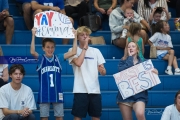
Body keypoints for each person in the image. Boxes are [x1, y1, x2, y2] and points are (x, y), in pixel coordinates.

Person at [30, 27, 77, 120]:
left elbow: (74, 52)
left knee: (59, 117)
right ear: (43, 48)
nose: (50, 49)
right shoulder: (40, 58)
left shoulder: (58, 58)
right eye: (48, 47)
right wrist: (33, 35)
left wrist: (75, 37)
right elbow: (32, 51)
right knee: (44, 118)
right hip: (44, 92)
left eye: (52, 47)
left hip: (57, 92)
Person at [68, 26, 106, 120]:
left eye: (87, 35)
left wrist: (102, 70)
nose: (85, 37)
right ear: (77, 38)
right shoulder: (72, 50)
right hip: (80, 89)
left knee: (96, 117)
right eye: (82, 35)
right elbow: (78, 63)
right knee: (78, 117)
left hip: (95, 89)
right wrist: (84, 48)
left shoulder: (96, 51)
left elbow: (103, 72)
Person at [117, 41, 158, 120]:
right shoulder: (122, 62)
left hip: (140, 96)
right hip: (125, 97)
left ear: (137, 50)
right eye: (129, 47)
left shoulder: (145, 63)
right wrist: (130, 57)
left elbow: (150, 87)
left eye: (133, 46)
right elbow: (124, 73)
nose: (131, 48)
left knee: (140, 113)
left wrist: (154, 76)